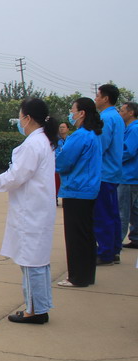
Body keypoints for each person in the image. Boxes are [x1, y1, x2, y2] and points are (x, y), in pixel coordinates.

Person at [0, 98, 57, 324]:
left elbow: (16, 176)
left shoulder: (33, 144)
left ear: (28, 118)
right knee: (37, 261)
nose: (19, 121)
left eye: (20, 116)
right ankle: (39, 306)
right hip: (37, 209)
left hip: (31, 212)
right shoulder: (42, 141)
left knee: (31, 261)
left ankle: (35, 310)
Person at [56, 97, 104, 287]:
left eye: (72, 110)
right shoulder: (94, 134)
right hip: (88, 189)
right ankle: (86, 275)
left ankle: (77, 277)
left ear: (81, 113)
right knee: (86, 235)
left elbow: (63, 162)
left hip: (76, 190)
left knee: (75, 237)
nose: (71, 113)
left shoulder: (80, 136)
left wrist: (56, 154)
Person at [94, 84, 123, 265]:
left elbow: (101, 145)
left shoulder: (105, 118)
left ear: (105, 98)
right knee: (112, 213)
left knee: (102, 214)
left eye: (98, 95)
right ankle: (114, 250)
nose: (96, 99)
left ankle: (105, 253)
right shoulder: (117, 116)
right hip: (113, 171)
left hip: (104, 172)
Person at [118, 102, 138, 249]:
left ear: (131, 113)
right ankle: (136, 237)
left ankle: (115, 243)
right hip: (131, 176)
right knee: (133, 210)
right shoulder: (131, 128)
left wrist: (113, 157)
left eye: (122, 110)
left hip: (128, 176)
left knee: (123, 211)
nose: (120, 113)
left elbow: (128, 151)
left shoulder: (134, 129)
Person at [55, 122, 70, 205]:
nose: (61, 129)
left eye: (63, 127)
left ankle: (66, 198)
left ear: (68, 129)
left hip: (68, 163)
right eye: (60, 127)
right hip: (57, 163)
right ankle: (55, 198)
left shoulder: (70, 139)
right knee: (56, 182)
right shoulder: (55, 140)